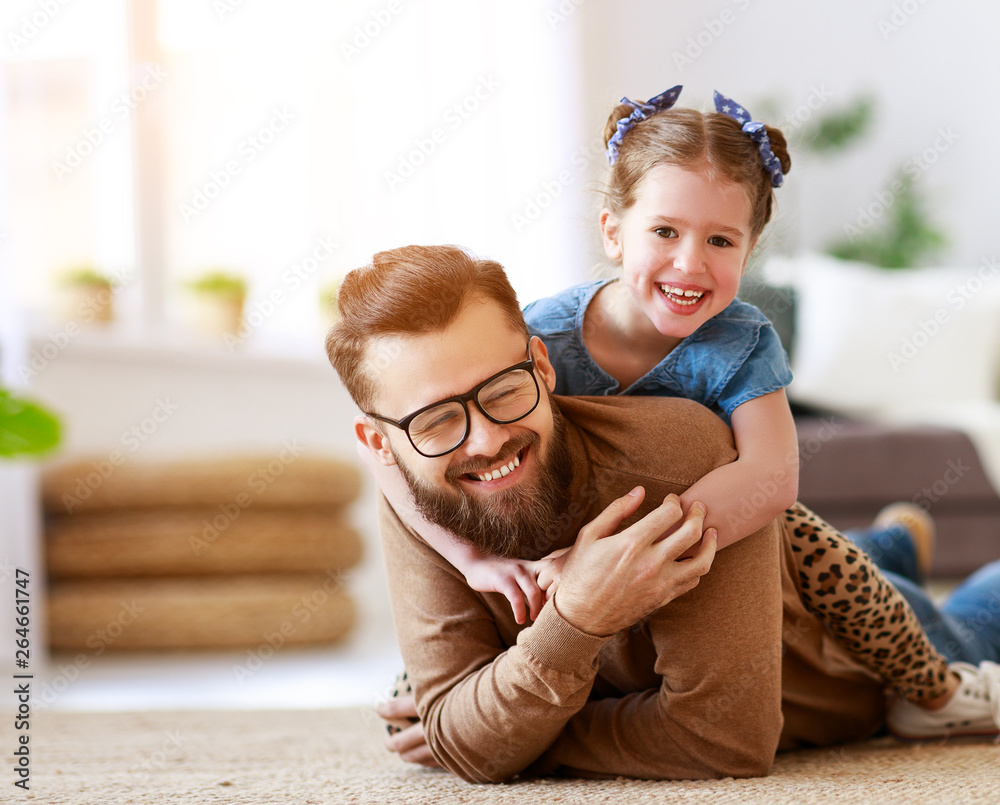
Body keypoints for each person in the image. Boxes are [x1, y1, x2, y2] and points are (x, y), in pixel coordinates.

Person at [358, 86, 987, 727]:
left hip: (738, 544)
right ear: (613, 232)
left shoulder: (742, 341)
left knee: (859, 576)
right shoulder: (538, 336)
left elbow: (772, 478)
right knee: (430, 694)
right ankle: (892, 543)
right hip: (592, 541)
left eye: (721, 241)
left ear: (750, 248)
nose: (690, 263)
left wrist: (616, 552)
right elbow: (394, 453)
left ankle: (924, 636)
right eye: (664, 231)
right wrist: (475, 560)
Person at [326, 246, 1000, 781]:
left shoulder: (680, 452)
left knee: (969, 615)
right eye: (438, 418)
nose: (485, 439)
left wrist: (525, 712)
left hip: (854, 659)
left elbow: (722, 740)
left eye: (503, 389)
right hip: (770, 573)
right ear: (380, 445)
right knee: (820, 547)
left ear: (541, 362)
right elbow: (453, 725)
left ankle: (892, 554)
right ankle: (891, 541)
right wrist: (569, 633)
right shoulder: (424, 490)